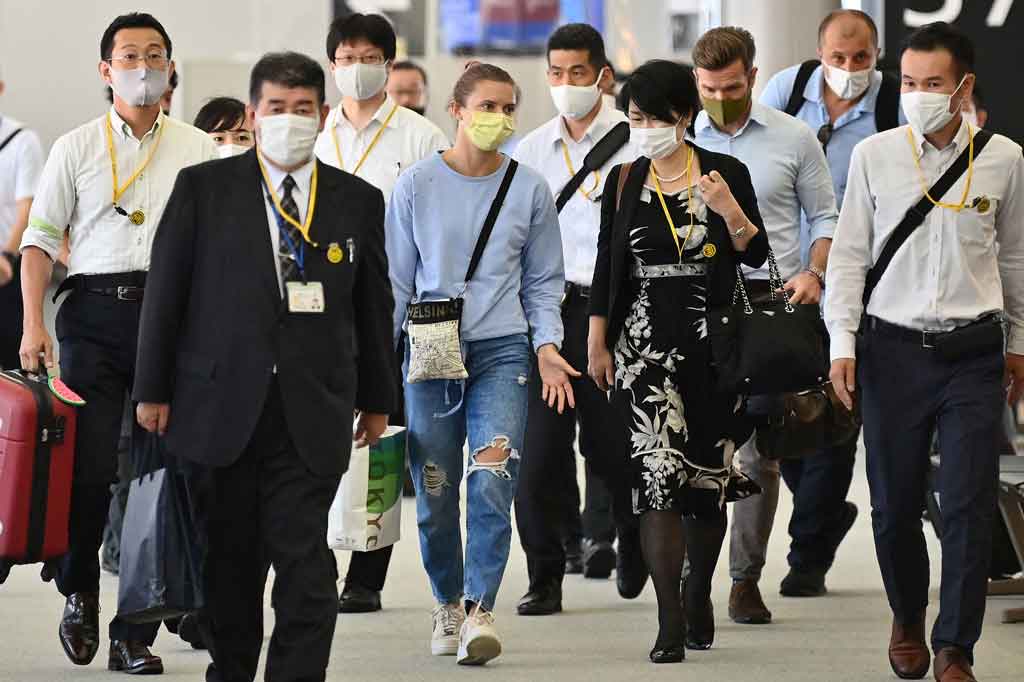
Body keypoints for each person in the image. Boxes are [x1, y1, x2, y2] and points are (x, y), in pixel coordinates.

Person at [133, 50, 397, 682]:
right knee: (230, 569)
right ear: (254, 115)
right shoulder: (205, 189)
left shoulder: (355, 200)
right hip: (218, 408)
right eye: (276, 109)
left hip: (313, 408)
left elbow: (373, 304)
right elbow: (167, 292)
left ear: (323, 114)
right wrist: (153, 388)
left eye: (302, 110)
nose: (289, 120)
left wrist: (379, 397)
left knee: (306, 567)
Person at [18, 12, 217, 675]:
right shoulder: (74, 147)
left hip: (172, 322)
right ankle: (79, 591)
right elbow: (40, 243)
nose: (142, 65)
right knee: (91, 468)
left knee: (159, 481)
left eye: (154, 54)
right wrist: (32, 325)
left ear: (171, 67)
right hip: (93, 318)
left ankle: (137, 631)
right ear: (106, 70)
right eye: (129, 55)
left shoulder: (198, 148)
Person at [826, 21, 1024, 682]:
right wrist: (841, 344)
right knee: (893, 502)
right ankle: (907, 614)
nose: (917, 94)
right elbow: (850, 259)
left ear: (963, 86)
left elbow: (1016, 261)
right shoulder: (875, 156)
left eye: (931, 84)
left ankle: (954, 647)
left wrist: (1018, 347)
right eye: (908, 82)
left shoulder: (1003, 158)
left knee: (967, 500)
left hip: (973, 352)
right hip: (891, 350)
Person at [386, 62, 577, 666]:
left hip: (503, 349)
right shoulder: (415, 184)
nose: (499, 117)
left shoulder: (529, 188)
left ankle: (478, 609)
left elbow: (545, 281)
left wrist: (547, 346)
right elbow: (396, 281)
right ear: (457, 109)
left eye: (508, 107)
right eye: (487, 105)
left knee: (494, 479)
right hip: (432, 348)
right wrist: (370, 374)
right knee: (436, 485)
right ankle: (445, 599)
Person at [588, 58, 768, 663]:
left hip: (711, 346)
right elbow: (606, 266)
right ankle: (668, 617)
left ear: (685, 117)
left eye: (654, 118)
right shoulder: (624, 179)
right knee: (656, 480)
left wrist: (729, 212)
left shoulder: (725, 171)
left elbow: (754, 254)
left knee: (703, 485)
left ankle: (698, 589)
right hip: (643, 347)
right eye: (635, 118)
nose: (643, 129)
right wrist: (597, 340)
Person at [689, 26, 839, 631]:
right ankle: (690, 572)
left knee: (757, 454)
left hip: (764, 311)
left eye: (730, 86)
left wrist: (816, 271)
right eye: (707, 88)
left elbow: (825, 215)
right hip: (694, 309)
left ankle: (743, 579)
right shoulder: (678, 137)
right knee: (694, 446)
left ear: (752, 76)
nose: (719, 97)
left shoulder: (792, 137)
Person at [315, 11, 449, 615]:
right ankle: (313, 559)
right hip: (317, 309)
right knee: (315, 434)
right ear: (332, 65)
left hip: (391, 309)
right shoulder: (316, 135)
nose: (357, 68)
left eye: (369, 57)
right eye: (345, 57)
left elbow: (441, 227)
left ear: (389, 65)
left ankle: (366, 572)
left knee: (384, 435)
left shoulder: (420, 136)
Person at [756, 8, 892, 599]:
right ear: (819, 53)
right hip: (793, 278)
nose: (848, 69)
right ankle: (826, 517)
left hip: (866, 280)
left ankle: (808, 552)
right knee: (783, 415)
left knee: (838, 411)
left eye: (860, 58)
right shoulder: (785, 91)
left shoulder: (890, 104)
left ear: (876, 54)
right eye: (837, 58)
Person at [511, 22, 645, 617]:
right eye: (557, 73)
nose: (567, 85)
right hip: (548, 312)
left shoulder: (638, 141)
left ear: (603, 77)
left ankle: (632, 532)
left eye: (579, 73)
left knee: (612, 447)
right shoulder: (531, 149)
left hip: (617, 311)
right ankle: (546, 571)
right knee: (537, 456)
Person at [0, 67, 45, 370]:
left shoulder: (21, 140)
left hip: (7, 267)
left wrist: (5, 254)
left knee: (11, 364)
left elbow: (27, 208)